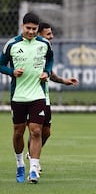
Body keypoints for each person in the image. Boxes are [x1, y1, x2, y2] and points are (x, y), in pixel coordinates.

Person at [0, 12, 54, 184]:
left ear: (38, 29)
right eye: (28, 28)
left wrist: (47, 72)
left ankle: (33, 169)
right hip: (19, 95)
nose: (31, 32)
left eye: (34, 29)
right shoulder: (12, 44)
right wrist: (11, 72)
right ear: (22, 26)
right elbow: (1, 64)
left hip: (38, 94)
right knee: (18, 133)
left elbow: (50, 60)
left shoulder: (44, 44)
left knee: (36, 131)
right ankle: (20, 164)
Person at [26, 22, 79, 175]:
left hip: (45, 96)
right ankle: (31, 160)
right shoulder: (32, 50)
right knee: (35, 130)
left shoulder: (45, 50)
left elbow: (50, 73)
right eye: (48, 34)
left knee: (46, 132)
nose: (52, 36)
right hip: (30, 96)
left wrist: (64, 81)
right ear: (39, 35)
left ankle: (31, 154)